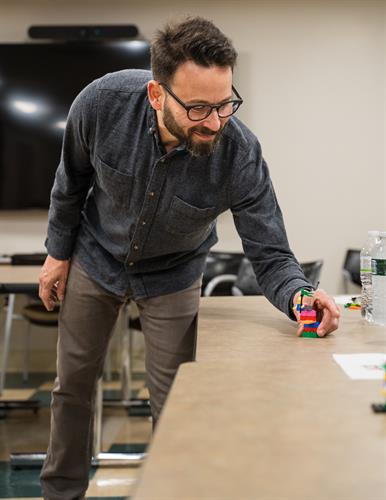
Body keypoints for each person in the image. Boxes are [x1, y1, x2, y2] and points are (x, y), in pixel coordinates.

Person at [39, 16, 339, 499]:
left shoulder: (238, 152)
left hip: (174, 273)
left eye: (225, 104)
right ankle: (61, 492)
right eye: (199, 108)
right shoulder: (101, 104)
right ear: (158, 95)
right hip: (95, 258)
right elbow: (70, 182)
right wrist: (58, 254)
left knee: (178, 403)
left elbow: (270, 252)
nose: (215, 121)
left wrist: (301, 295)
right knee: (71, 388)